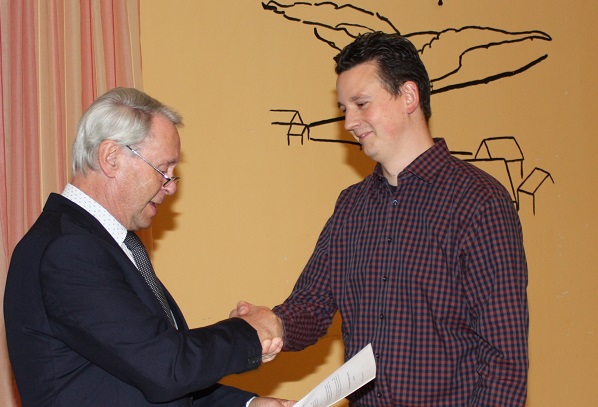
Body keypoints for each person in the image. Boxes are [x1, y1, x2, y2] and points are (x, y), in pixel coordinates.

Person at [233, 32, 528, 406]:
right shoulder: (351, 207)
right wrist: (269, 324)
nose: (350, 122)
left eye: (361, 104)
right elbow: (313, 304)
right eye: (344, 109)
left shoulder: (478, 201)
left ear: (408, 96)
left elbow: (505, 360)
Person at [4, 87, 292, 407]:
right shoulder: (70, 251)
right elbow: (166, 368)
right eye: (163, 170)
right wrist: (248, 331)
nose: (170, 187)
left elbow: (139, 376)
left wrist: (247, 405)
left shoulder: (104, 243)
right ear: (111, 157)